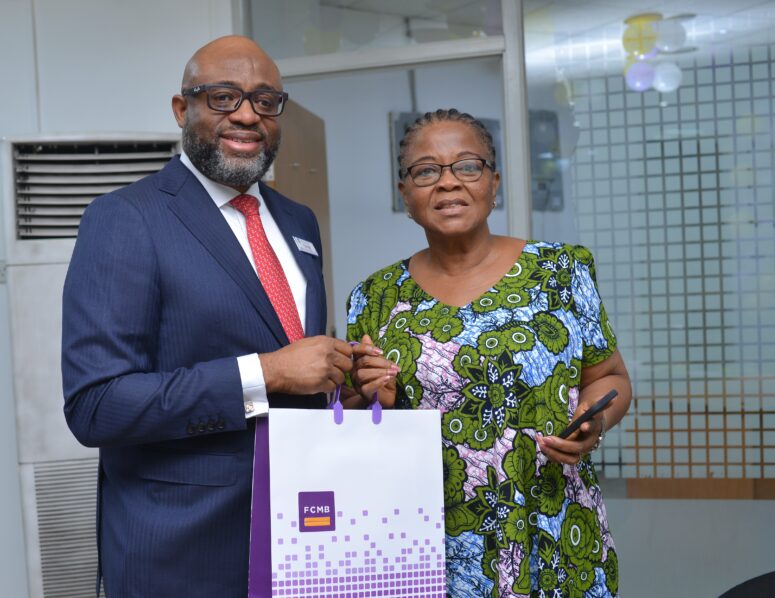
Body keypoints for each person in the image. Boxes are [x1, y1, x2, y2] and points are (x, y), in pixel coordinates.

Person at [61, 36, 369, 597]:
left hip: (305, 537)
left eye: (265, 100)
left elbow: (292, 366)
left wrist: (337, 385)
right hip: (184, 552)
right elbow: (96, 406)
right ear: (183, 110)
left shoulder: (300, 222)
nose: (248, 115)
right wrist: (266, 372)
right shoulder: (126, 219)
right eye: (224, 97)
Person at [346, 109, 632, 597]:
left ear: (494, 182)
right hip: (427, 540)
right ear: (406, 196)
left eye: (467, 166)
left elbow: (611, 378)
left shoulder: (560, 272)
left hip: (553, 526)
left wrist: (594, 422)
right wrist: (374, 398)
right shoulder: (374, 298)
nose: (447, 183)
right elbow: (355, 413)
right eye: (426, 171)